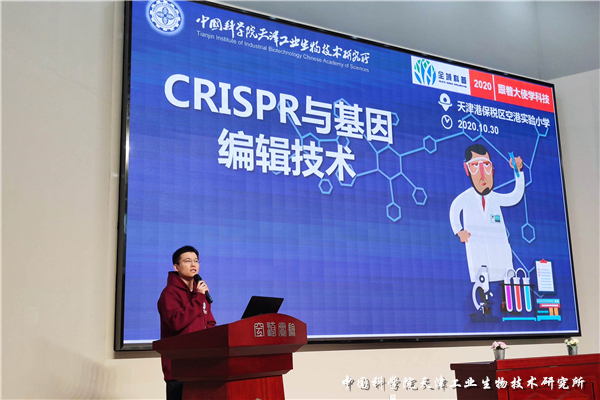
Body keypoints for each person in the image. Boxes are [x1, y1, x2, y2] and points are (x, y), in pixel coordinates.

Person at [449, 144, 524, 283]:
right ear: (467, 169)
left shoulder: (495, 198)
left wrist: (517, 172)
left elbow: (515, 196)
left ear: (492, 169)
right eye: (475, 165)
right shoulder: (465, 198)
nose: (482, 173)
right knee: (481, 288)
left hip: (503, 267)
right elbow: (454, 209)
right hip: (479, 265)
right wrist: (459, 231)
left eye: (486, 165)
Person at [157, 245, 216, 400]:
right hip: (179, 369)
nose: (193, 264)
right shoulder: (169, 293)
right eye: (187, 261)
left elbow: (210, 323)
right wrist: (199, 298)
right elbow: (176, 322)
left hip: (201, 366)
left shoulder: (200, 293)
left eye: (196, 260)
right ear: (176, 267)